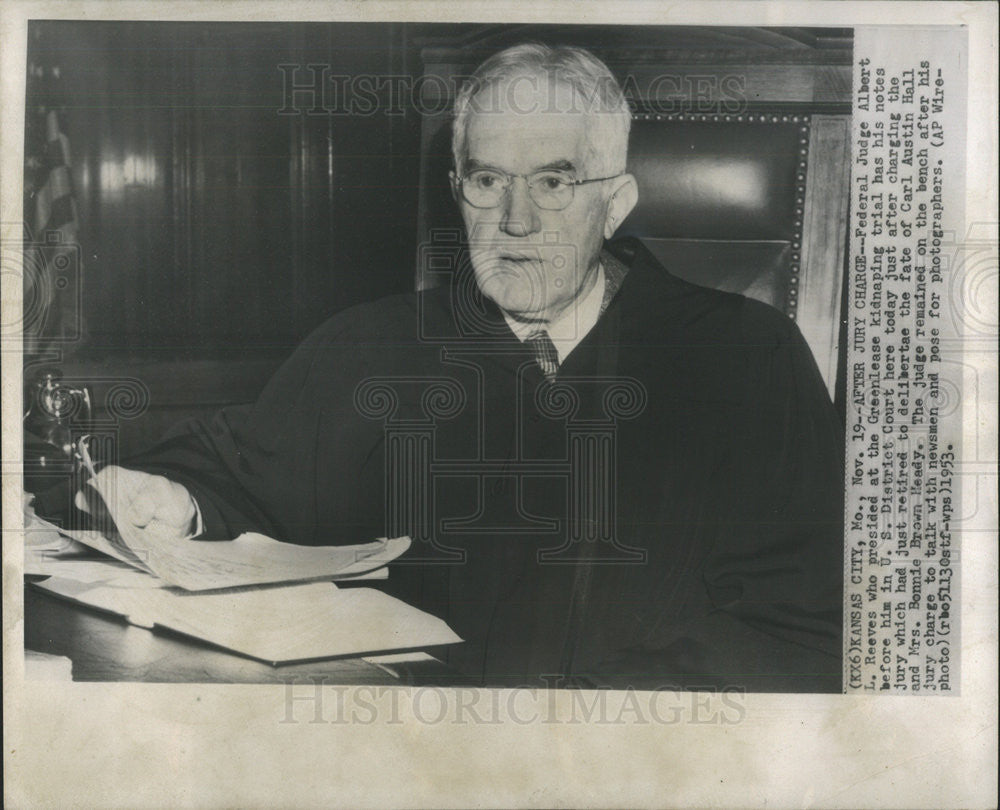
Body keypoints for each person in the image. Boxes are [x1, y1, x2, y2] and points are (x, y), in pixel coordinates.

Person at [65, 44, 844, 691]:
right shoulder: (371, 348)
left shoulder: (745, 361)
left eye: (554, 180)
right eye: (487, 180)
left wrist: (580, 729)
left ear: (616, 203)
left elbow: (799, 629)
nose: (515, 219)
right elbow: (242, 474)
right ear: (456, 194)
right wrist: (172, 497)